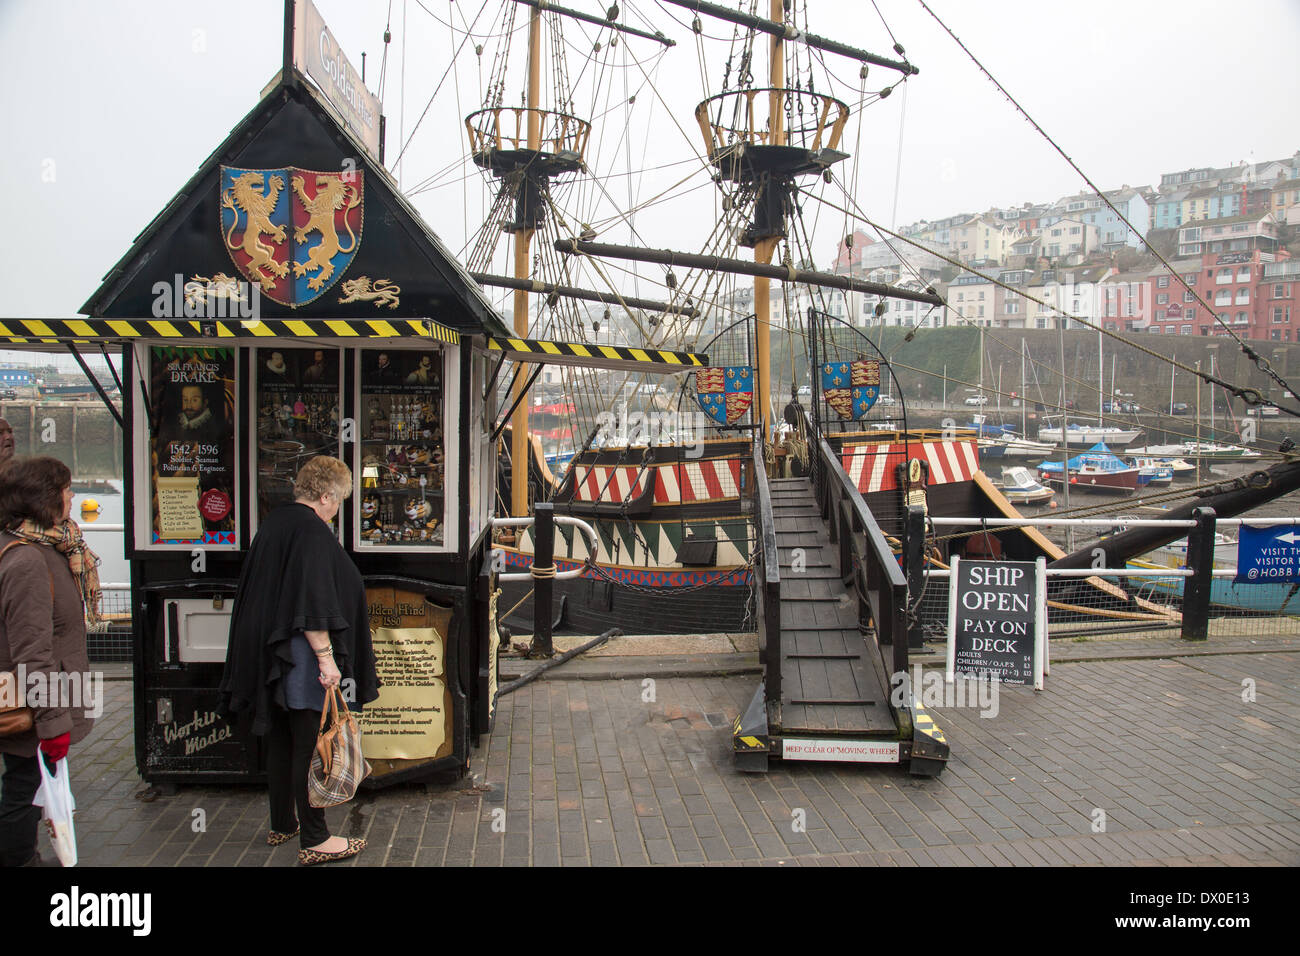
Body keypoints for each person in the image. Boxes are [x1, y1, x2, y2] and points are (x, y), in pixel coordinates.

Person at [218, 457, 378, 865]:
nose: (336, 509)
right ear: (326, 496)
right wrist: (327, 660)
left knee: (283, 738)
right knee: (311, 743)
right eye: (337, 501)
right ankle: (315, 838)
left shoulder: (275, 523)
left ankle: (281, 823)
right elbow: (312, 602)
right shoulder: (311, 531)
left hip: (271, 656)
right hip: (300, 657)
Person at [0, 457, 100, 867]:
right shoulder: (27, 560)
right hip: (35, 706)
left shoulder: (42, 546)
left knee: (26, 785)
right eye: (66, 489)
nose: (72, 496)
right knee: (23, 788)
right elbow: (32, 651)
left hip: (43, 700)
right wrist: (53, 722)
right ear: (46, 499)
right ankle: (21, 861)